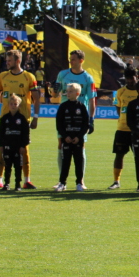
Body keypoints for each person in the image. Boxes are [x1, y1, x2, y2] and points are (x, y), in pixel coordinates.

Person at [0, 50, 40, 190]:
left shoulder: (28, 76)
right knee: (3, 149)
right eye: (7, 60)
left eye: (9, 60)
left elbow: (36, 98)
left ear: (18, 61)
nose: (7, 62)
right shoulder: (3, 76)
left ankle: (26, 181)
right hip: (5, 118)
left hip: (23, 119)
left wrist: (35, 117)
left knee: (24, 149)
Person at [55, 50, 96, 190]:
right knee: (61, 146)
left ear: (81, 61)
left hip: (80, 119)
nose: (70, 61)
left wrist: (91, 119)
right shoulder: (62, 74)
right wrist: (53, 90)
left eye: (73, 59)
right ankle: (61, 180)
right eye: (70, 58)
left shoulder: (88, 78)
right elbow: (55, 94)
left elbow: (92, 100)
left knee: (80, 147)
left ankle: (81, 181)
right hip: (65, 117)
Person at [54, 82, 91, 192]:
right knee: (65, 161)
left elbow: (86, 124)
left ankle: (79, 183)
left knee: (78, 161)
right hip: (66, 139)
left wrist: (79, 137)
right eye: (67, 91)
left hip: (78, 140)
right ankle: (62, 183)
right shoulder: (63, 106)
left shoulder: (82, 107)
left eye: (70, 91)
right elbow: (59, 124)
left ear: (77, 93)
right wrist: (65, 136)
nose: (68, 93)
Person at [108, 66, 139, 190]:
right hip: (122, 129)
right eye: (127, 78)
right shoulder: (121, 91)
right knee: (119, 155)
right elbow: (118, 108)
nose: (130, 81)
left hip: (137, 130)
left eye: (132, 78)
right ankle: (116, 181)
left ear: (136, 77)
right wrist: (125, 119)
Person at [0, 94, 30, 191]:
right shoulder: (4, 118)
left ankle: (17, 184)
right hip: (7, 146)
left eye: (15, 104)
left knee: (18, 166)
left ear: (19, 105)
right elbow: (1, 133)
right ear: (8, 105)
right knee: (7, 165)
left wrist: (23, 146)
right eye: (11, 104)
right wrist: (1, 145)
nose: (13, 106)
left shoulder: (22, 119)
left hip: (18, 146)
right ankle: (7, 183)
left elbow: (26, 134)